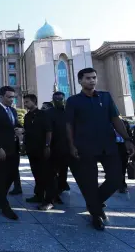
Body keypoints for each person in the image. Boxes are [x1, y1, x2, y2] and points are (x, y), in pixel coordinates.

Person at [66, 67, 135, 231]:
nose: (92, 80)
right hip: (85, 147)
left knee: (117, 179)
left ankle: (94, 204)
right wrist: (71, 145)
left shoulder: (105, 97)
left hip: (108, 145)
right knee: (89, 183)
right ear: (80, 81)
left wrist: (127, 139)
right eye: (88, 78)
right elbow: (68, 125)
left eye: (94, 77)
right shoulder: (73, 101)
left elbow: (115, 119)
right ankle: (96, 215)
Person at [0, 86, 23, 220]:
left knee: (12, 175)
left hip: (13, 149)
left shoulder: (12, 110)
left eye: (13, 97)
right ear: (1, 97)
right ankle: (4, 205)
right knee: (1, 177)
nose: (12, 100)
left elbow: (16, 124)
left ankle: (0, 194)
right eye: (9, 97)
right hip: (0, 151)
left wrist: (19, 129)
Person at [23, 94, 51, 205]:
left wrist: (47, 146)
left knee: (45, 173)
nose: (25, 104)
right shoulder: (27, 116)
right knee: (36, 173)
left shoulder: (43, 114)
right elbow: (26, 132)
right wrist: (24, 146)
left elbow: (49, 131)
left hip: (42, 148)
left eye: (27, 102)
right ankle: (38, 195)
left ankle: (48, 198)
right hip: (31, 149)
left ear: (34, 102)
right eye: (24, 102)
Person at [115, 116, 132, 194]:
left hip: (122, 147)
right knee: (116, 166)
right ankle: (118, 183)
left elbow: (129, 135)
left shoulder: (125, 123)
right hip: (113, 147)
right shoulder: (109, 122)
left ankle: (121, 183)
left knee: (123, 166)